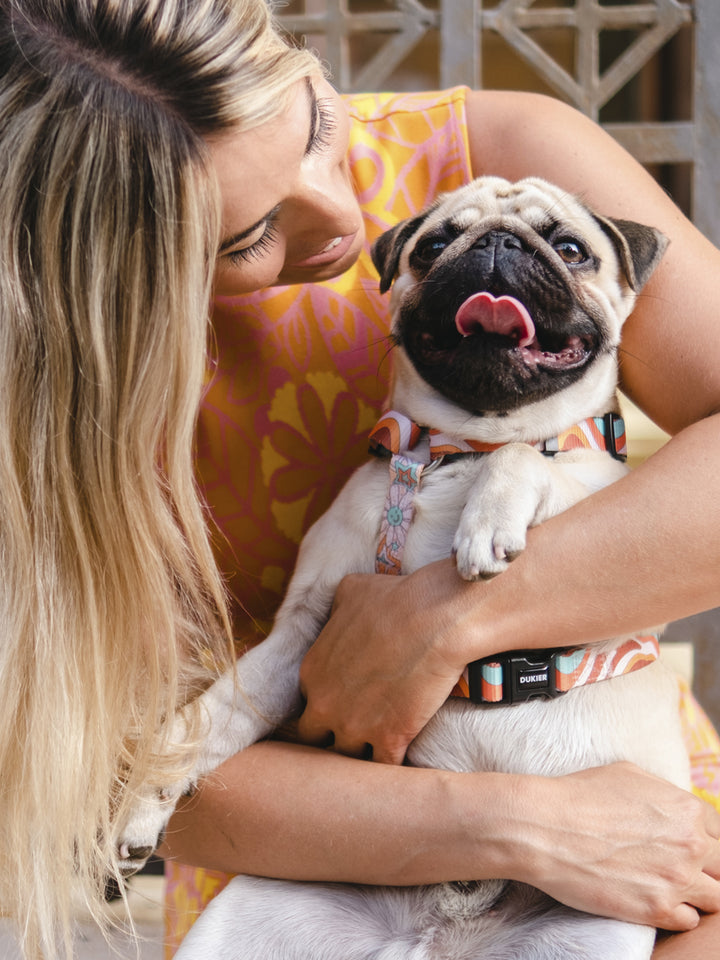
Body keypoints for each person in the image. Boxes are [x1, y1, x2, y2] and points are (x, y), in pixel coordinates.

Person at [0, 2, 718, 959]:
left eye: (320, 128)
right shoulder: (43, 404)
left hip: (636, 834)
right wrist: (514, 827)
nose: (343, 213)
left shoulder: (498, 149)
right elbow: (105, 780)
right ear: (117, 275)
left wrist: (442, 621)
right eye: (250, 235)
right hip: (311, 869)